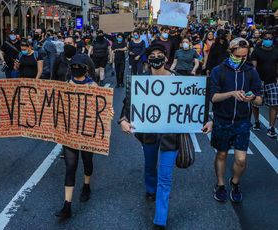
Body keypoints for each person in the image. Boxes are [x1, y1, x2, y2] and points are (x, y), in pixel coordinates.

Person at [119, 43, 212, 229]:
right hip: (148, 134)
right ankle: (150, 189)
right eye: (152, 55)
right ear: (148, 59)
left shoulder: (178, 80)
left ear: (166, 58)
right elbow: (128, 103)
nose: (156, 58)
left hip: (172, 136)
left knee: (166, 176)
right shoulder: (140, 80)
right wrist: (123, 119)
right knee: (150, 166)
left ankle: (160, 218)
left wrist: (207, 119)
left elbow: (193, 103)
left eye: (159, 54)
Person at [54, 54, 115, 218]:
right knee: (70, 168)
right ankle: (67, 205)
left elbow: (101, 108)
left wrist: (108, 113)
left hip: (88, 132)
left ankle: (86, 185)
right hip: (71, 134)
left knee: (87, 162)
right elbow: (58, 110)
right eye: (73, 66)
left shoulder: (93, 85)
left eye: (78, 66)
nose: (75, 68)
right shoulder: (66, 86)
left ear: (85, 69)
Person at [210, 38, 262, 203]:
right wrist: (231, 93)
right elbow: (213, 97)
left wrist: (252, 97)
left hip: (242, 122)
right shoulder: (218, 71)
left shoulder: (251, 72)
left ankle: (235, 182)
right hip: (222, 120)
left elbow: (259, 100)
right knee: (222, 154)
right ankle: (220, 184)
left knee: (241, 158)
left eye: (244, 56)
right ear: (230, 52)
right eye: (238, 55)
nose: (241, 59)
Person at [250, 31, 278, 137]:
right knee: (256, 103)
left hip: (272, 81)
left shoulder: (276, 53)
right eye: (266, 38)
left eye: (270, 39)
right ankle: (256, 121)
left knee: (274, 104)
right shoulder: (257, 52)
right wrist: (254, 81)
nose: (268, 40)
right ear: (263, 39)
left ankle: (271, 127)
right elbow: (254, 67)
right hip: (259, 81)